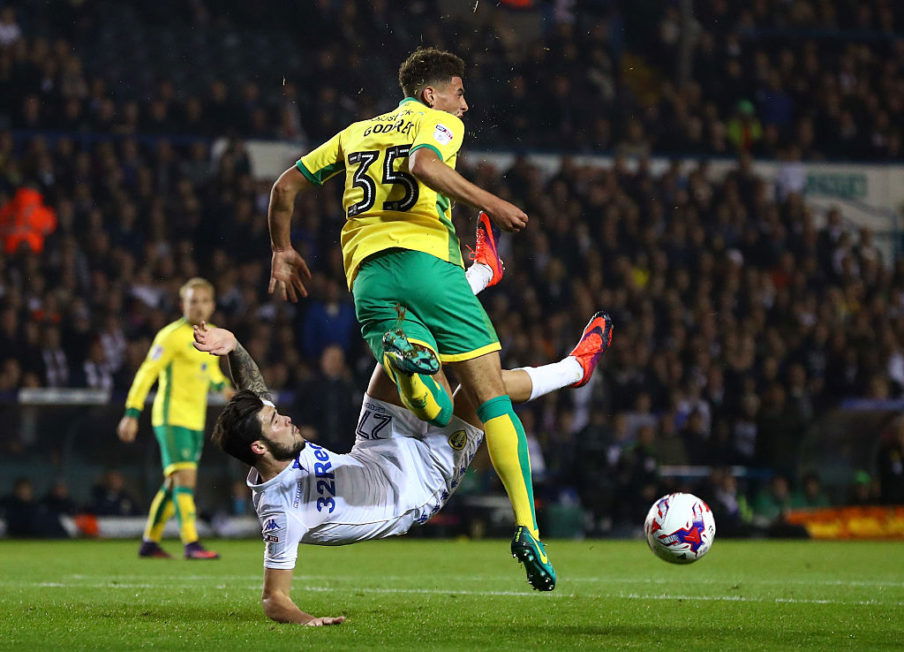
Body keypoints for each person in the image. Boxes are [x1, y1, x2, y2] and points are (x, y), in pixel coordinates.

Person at [266, 46, 610, 589]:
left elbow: (285, 186)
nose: (465, 105)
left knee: (437, 402)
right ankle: (528, 528)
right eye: (459, 92)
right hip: (429, 265)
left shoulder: (356, 133)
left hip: (369, 279)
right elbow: (420, 164)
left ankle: (426, 353)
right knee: (490, 396)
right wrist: (491, 203)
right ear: (431, 93)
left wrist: (281, 249)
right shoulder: (436, 122)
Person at [192, 302, 611, 623]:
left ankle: (473, 278)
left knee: (392, 348)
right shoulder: (280, 512)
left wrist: (233, 347)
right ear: (260, 450)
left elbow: (253, 388)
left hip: (374, 447)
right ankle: (574, 369)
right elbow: (273, 599)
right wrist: (307, 620)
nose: (284, 417)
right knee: (480, 385)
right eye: (275, 423)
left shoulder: (271, 441)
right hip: (416, 484)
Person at [116, 277, 233, 560]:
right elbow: (147, 372)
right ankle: (192, 543)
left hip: (194, 420)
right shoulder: (170, 335)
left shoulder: (214, 334)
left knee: (173, 484)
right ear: (183, 304)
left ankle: (149, 542)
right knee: (186, 479)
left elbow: (209, 371)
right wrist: (131, 413)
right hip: (171, 417)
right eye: (193, 301)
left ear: (213, 305)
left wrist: (224, 389)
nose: (200, 307)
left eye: (204, 301)